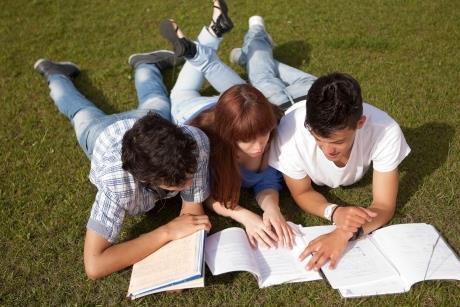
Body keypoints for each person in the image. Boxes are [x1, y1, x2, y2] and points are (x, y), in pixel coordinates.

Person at [231, 16, 411, 269]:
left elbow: (383, 205)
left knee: (274, 73)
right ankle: (256, 35)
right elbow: (302, 192)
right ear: (309, 127)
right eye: (318, 139)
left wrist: (344, 233)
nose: (327, 150)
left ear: (360, 123)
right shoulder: (289, 134)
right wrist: (334, 212)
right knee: (263, 78)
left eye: (337, 142)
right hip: (284, 107)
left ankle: (251, 55)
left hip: (313, 94)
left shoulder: (386, 130)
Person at [33, 49, 211, 279]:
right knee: (79, 111)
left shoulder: (194, 142)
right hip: (99, 133)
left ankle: (146, 64)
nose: (190, 180)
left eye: (190, 171)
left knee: (156, 101)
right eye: (178, 181)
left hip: (144, 124)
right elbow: (95, 265)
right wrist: (166, 231)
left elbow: (191, 214)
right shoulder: (117, 184)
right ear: (145, 178)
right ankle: (55, 74)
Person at [158, 2, 295, 248]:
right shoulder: (206, 147)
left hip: (234, 110)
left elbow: (266, 181)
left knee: (247, 94)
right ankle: (206, 38)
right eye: (248, 140)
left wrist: (271, 207)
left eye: (263, 134)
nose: (259, 146)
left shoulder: (271, 125)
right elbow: (206, 194)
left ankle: (208, 37)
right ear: (230, 137)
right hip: (189, 110)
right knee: (181, 92)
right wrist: (243, 214)